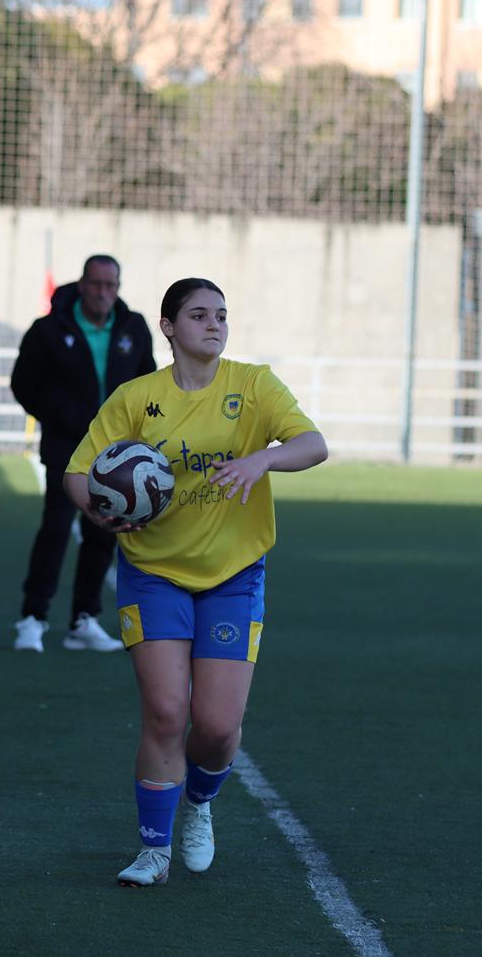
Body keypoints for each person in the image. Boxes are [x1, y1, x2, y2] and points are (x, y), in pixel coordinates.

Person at [63, 278, 327, 887]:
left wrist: (263, 458)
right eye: (200, 315)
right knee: (164, 711)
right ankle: (153, 850)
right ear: (169, 327)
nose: (215, 325)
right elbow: (79, 472)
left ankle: (200, 802)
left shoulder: (253, 385)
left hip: (234, 574)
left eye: (222, 315)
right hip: (153, 572)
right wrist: (99, 512)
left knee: (216, 726)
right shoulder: (137, 398)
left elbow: (312, 445)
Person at [10, 255, 156, 653]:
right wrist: (60, 416)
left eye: (111, 285)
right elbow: (23, 384)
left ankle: (83, 621)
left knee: (103, 532)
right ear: (82, 284)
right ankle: (32, 618)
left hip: (115, 453)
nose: (103, 292)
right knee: (56, 529)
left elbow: (148, 381)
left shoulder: (133, 327)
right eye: (96, 284)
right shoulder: (47, 330)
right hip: (66, 447)